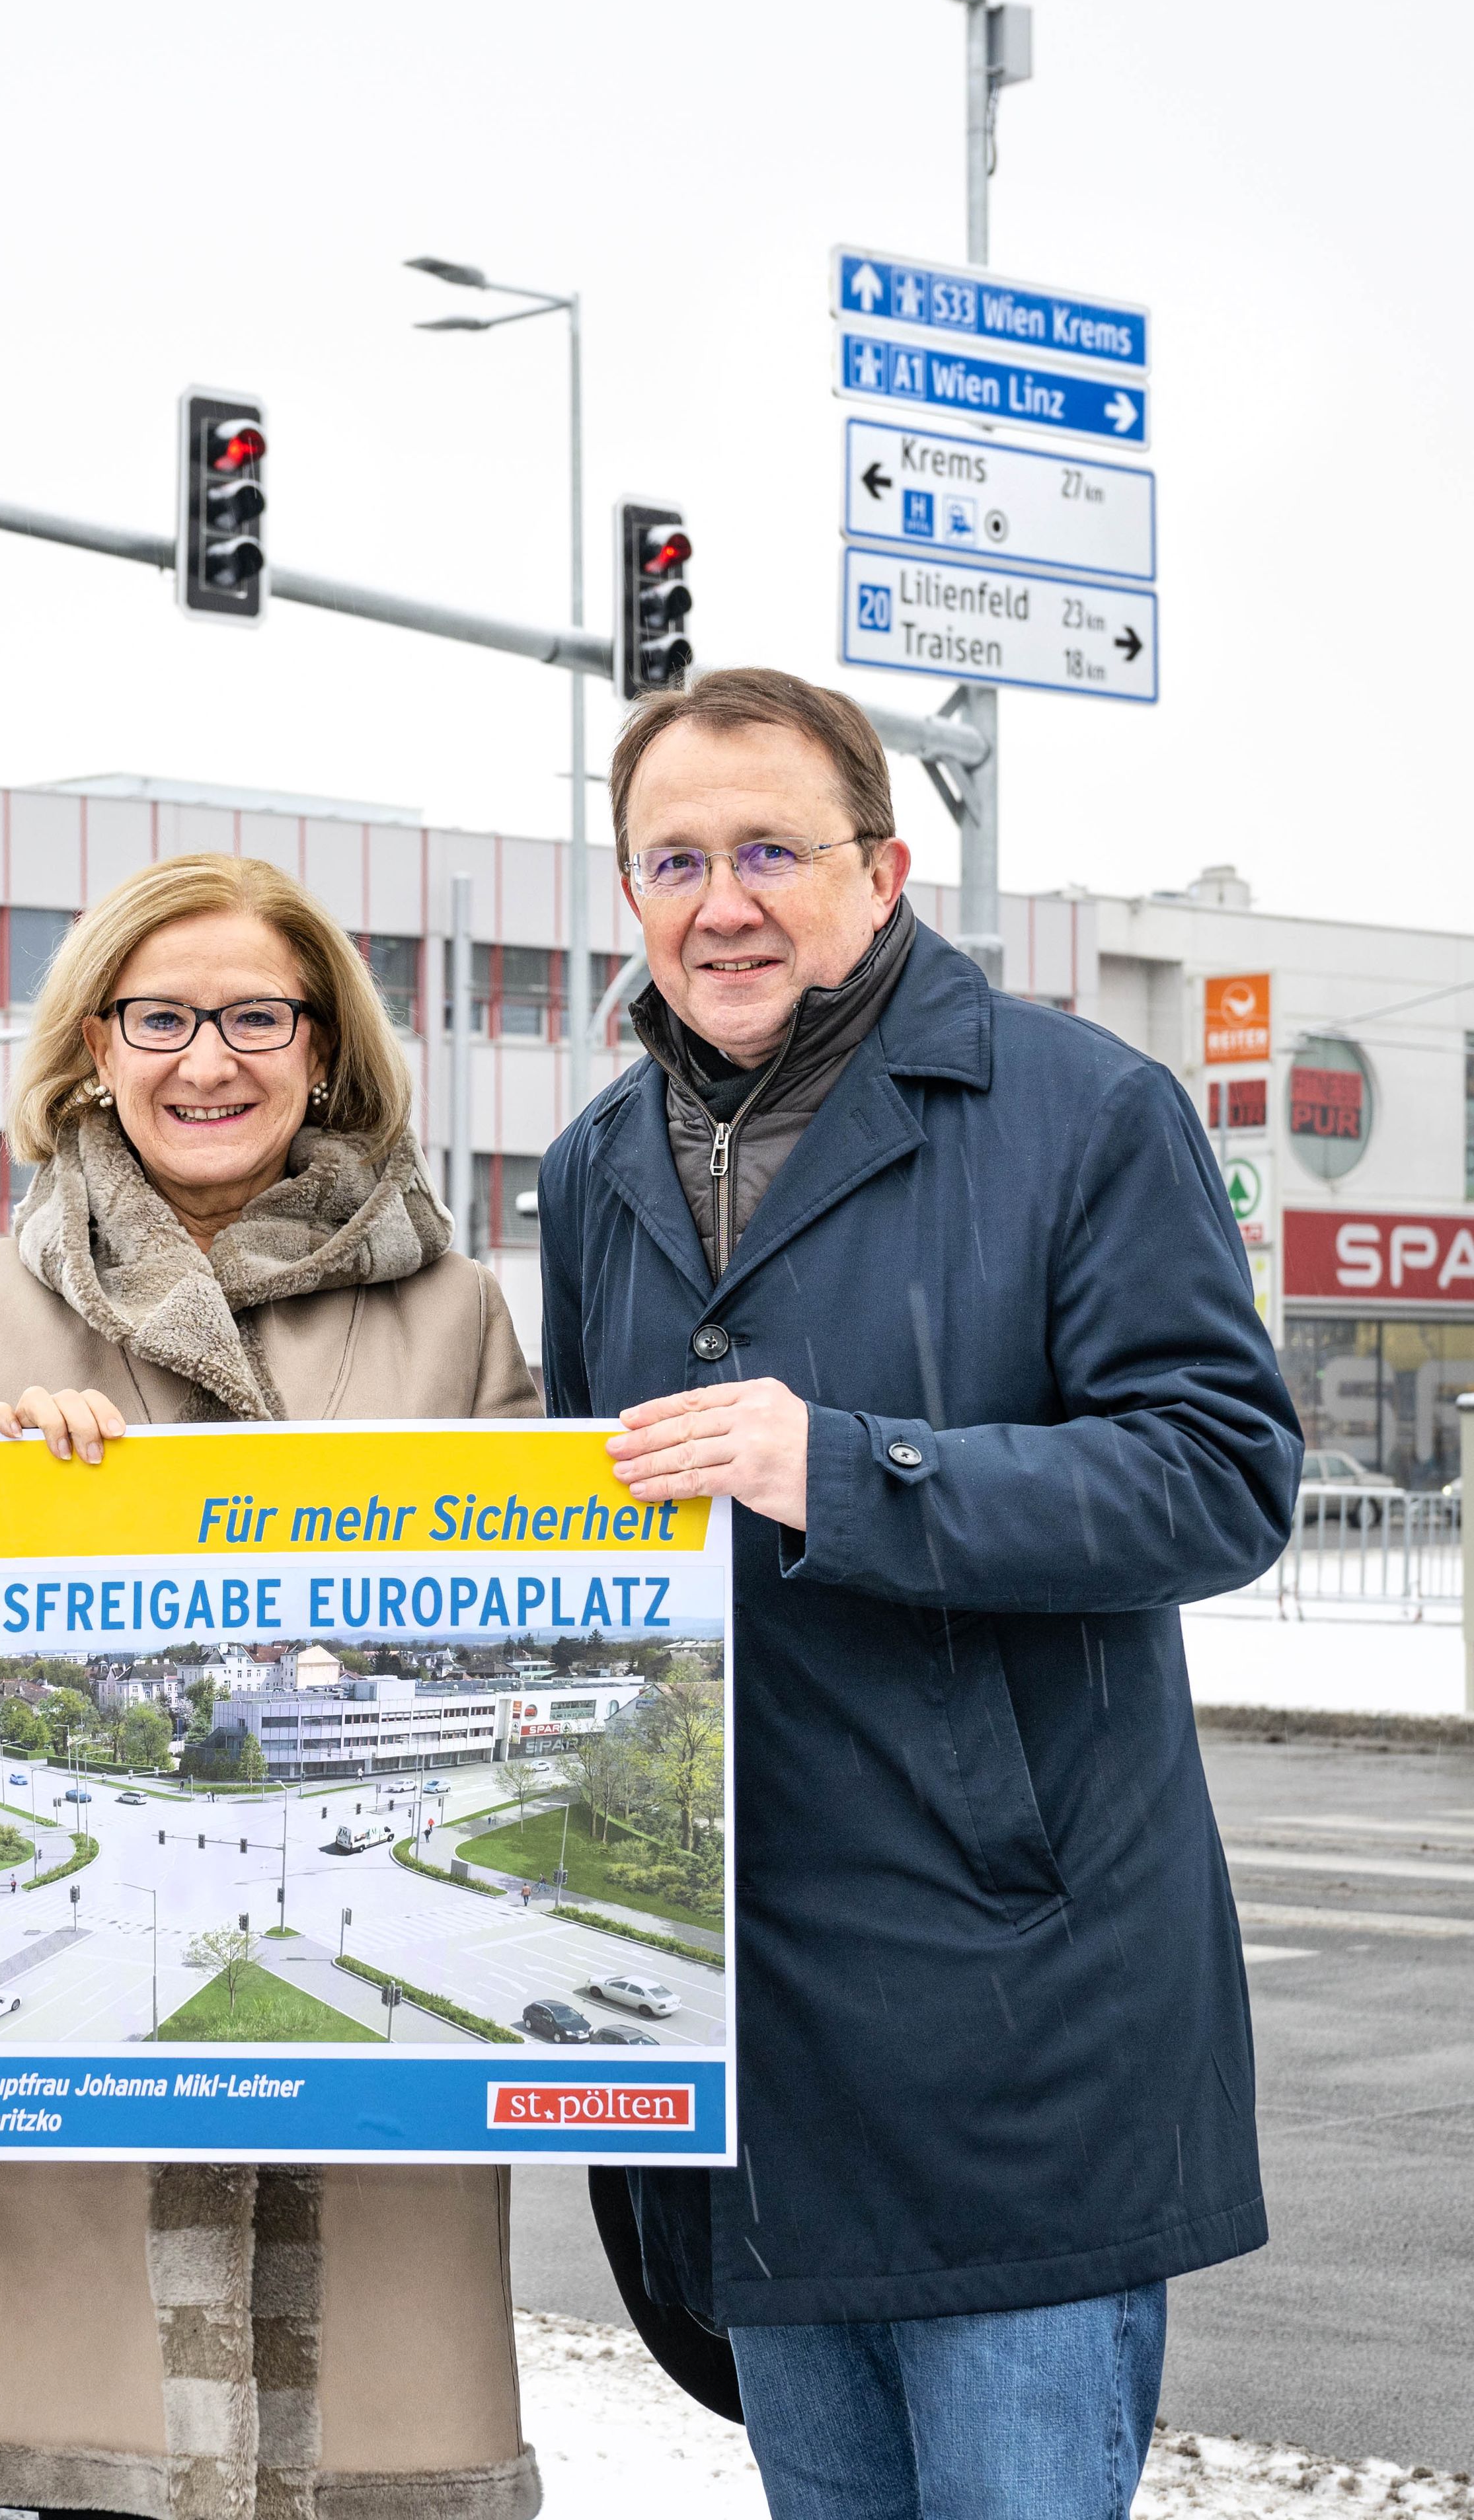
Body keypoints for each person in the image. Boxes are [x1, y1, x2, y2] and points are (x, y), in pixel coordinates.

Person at [534, 669, 1301, 2518]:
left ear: (883, 871)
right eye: (676, 860)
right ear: (632, 896)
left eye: (774, 851)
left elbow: (1222, 1471)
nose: (723, 901)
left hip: (1015, 2020)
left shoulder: (1082, 1109)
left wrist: (850, 1467)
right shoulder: (595, 1166)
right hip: (755, 2035)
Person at [0, 851, 546, 2520]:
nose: (202, 1058)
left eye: (251, 1015)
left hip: (360, 2105)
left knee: (346, 2459)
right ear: (91, 1047)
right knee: (88, 2463)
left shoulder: (452, 1313)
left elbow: (539, 1610)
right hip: (60, 2115)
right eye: (157, 1015)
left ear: (322, 1052)